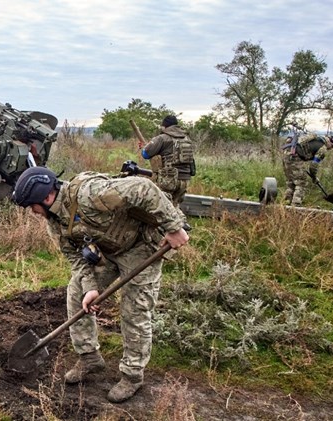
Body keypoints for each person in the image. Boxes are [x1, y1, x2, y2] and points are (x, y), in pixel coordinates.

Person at [11, 166, 189, 403]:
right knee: (76, 294)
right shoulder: (55, 222)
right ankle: (89, 358)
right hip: (107, 252)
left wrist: (173, 227)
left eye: (32, 206)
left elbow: (143, 188)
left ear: (46, 197)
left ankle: (132, 376)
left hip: (141, 247)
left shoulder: (91, 194)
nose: (32, 212)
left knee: (134, 311)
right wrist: (90, 287)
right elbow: (75, 257)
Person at [140, 115, 195, 207]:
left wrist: (143, 148)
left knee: (161, 207)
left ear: (165, 126)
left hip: (168, 179)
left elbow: (146, 154)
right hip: (185, 180)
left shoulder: (162, 138)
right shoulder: (186, 138)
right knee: (175, 206)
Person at [282, 133, 333, 206]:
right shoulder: (323, 149)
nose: (330, 148)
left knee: (291, 182)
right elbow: (313, 166)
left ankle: (285, 204)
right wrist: (314, 177)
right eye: (332, 147)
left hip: (287, 153)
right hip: (295, 157)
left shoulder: (318, 138)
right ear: (332, 144)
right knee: (301, 182)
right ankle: (295, 207)